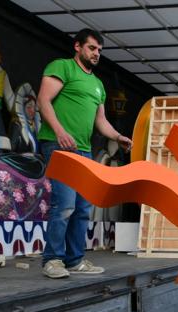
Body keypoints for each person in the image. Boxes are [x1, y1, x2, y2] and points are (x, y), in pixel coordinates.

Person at [37, 28, 132, 278]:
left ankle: (75, 260)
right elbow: (43, 100)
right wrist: (59, 131)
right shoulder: (62, 67)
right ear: (78, 46)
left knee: (82, 208)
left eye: (99, 50)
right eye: (92, 48)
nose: (96, 53)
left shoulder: (98, 84)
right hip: (58, 145)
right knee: (65, 205)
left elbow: (101, 121)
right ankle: (52, 260)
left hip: (84, 150)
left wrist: (118, 137)